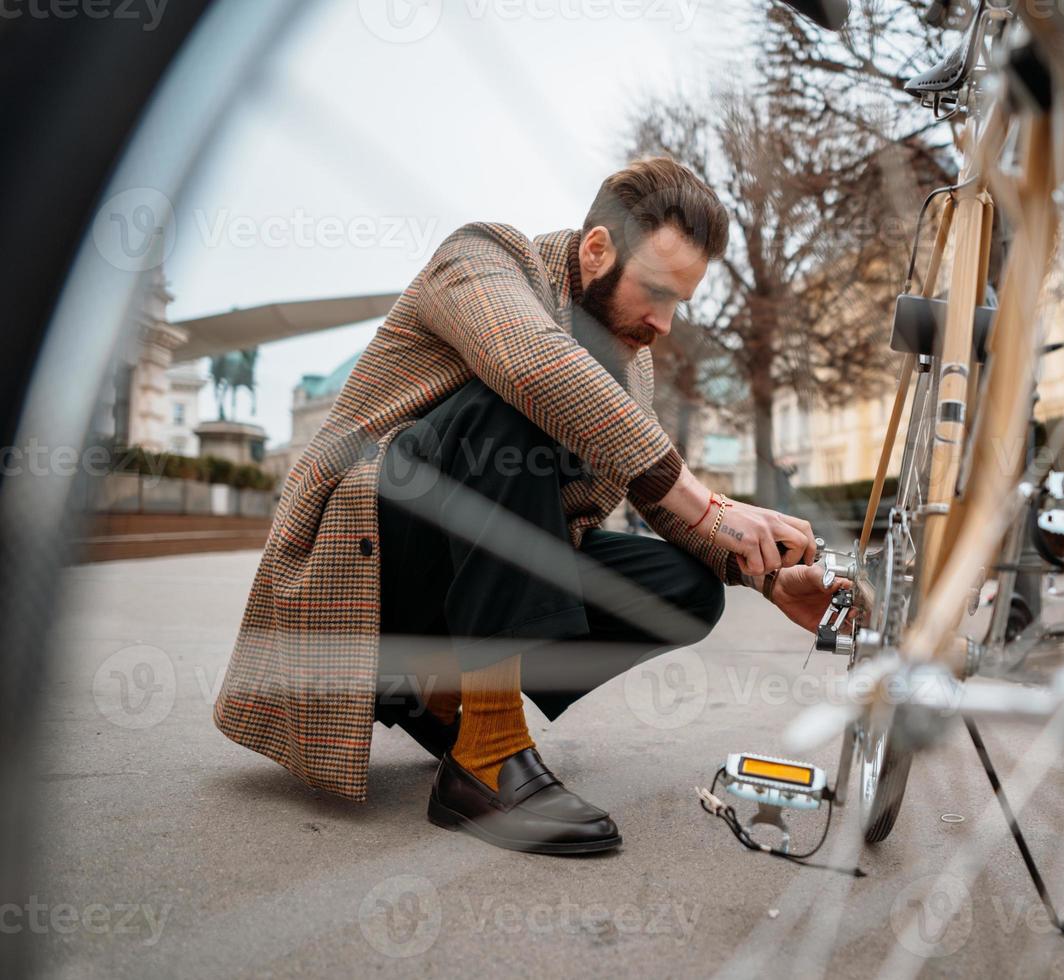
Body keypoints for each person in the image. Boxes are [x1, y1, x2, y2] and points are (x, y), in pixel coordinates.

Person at [213, 157, 846, 856]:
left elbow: (651, 492)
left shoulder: (630, 356)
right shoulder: (482, 258)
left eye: (680, 303)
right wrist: (708, 502)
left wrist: (766, 576)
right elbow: (530, 363)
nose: (665, 323)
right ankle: (485, 750)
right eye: (656, 292)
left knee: (685, 591)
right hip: (364, 560)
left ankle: (438, 689)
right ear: (597, 249)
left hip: (464, 579)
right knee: (513, 411)